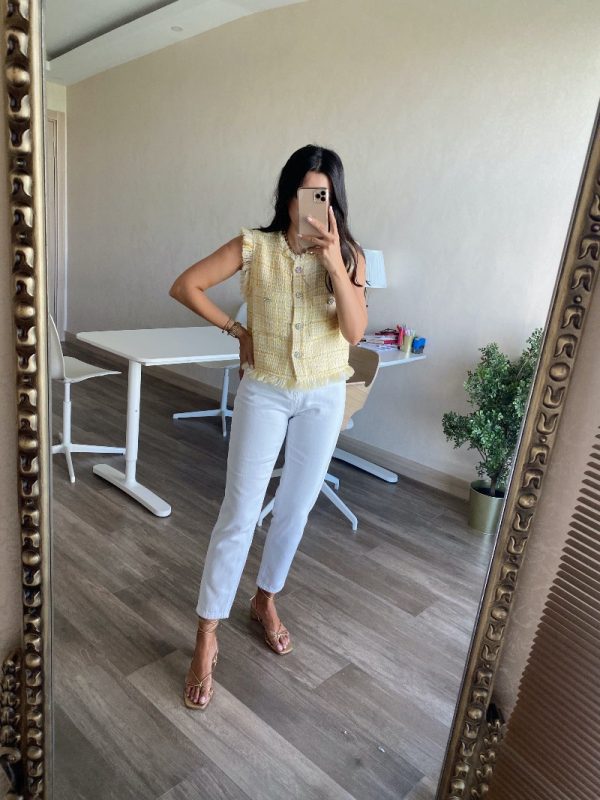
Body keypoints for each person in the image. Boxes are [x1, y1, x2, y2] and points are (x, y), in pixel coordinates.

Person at [169, 144, 368, 710]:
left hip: (325, 395)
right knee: (239, 512)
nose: (311, 204)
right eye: (304, 192)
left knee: (296, 508)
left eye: (322, 194)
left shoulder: (349, 256)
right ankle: (207, 632)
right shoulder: (253, 247)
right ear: (287, 194)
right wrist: (238, 331)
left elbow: (354, 333)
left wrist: (334, 263)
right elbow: (185, 285)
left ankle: (264, 599)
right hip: (265, 391)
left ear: (334, 199)